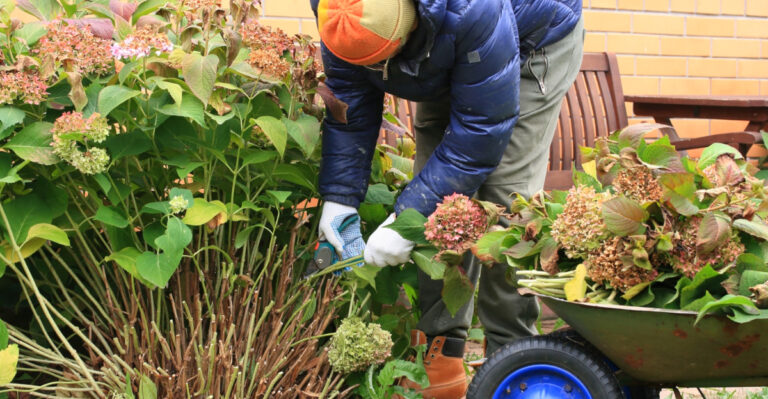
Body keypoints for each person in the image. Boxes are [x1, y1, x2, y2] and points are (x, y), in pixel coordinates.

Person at [311, 0, 584, 397]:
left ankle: (512, 356)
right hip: (443, 47)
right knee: (435, 195)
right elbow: (348, 102)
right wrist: (340, 199)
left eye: (381, 64)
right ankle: (441, 355)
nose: (376, 74)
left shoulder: (474, 10)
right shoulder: (337, 11)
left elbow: (480, 133)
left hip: (530, 40)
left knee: (506, 201)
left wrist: (409, 215)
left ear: (409, 30)